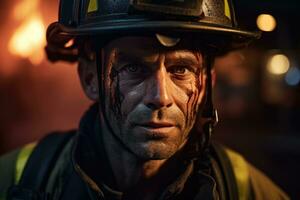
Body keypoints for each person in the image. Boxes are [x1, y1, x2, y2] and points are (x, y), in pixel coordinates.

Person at [0, 0, 289, 199]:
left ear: (206, 85)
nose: (160, 97)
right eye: (134, 68)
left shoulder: (240, 188)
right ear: (90, 79)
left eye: (181, 70)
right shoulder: (22, 179)